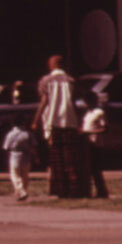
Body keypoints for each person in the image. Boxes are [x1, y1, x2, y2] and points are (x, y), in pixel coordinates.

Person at [33, 54, 88, 198]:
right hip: (70, 122)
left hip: (53, 123)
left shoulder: (46, 81)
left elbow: (44, 101)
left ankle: (60, 190)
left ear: (53, 65)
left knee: (56, 158)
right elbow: (75, 102)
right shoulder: (71, 81)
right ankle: (74, 189)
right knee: (71, 157)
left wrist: (36, 119)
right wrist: (79, 121)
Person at [82, 91, 110, 198]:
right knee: (88, 168)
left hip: (96, 143)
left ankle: (102, 191)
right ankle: (89, 190)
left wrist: (91, 132)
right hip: (87, 143)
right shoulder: (87, 113)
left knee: (96, 168)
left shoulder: (99, 112)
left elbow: (105, 128)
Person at [2, 120, 36, 201]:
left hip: (14, 155)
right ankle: (22, 190)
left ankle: (21, 191)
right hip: (26, 155)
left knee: (15, 176)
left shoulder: (10, 134)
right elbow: (34, 145)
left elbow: (6, 147)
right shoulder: (27, 134)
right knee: (25, 176)